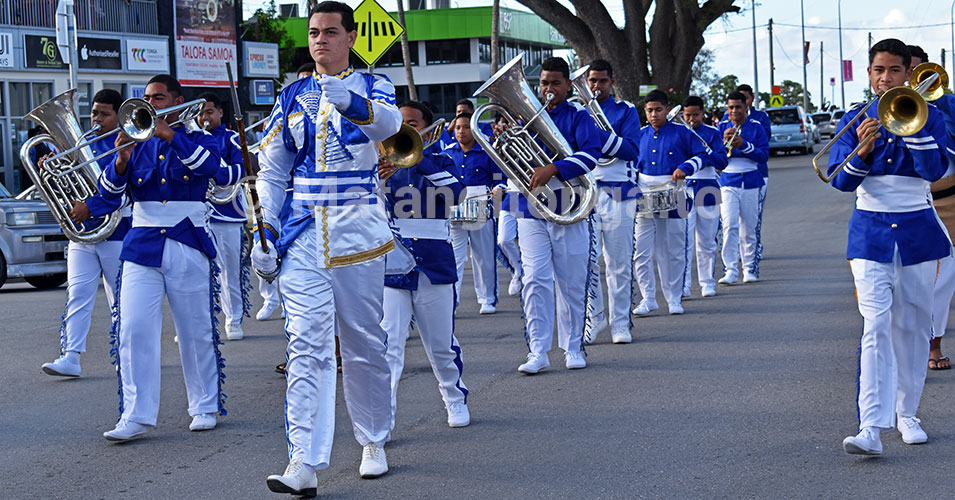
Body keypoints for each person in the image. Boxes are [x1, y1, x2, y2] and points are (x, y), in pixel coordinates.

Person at [251, 2, 402, 494]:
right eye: (315, 33)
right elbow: (274, 169)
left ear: (352, 37)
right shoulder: (291, 94)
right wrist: (265, 228)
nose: (320, 41)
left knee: (361, 341)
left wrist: (351, 103)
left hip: (357, 226)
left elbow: (390, 128)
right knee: (306, 345)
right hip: (302, 232)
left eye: (331, 32)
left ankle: (373, 438)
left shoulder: (373, 84)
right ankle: (303, 461)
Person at [830, 39, 949, 455]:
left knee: (913, 325)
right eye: (879, 71)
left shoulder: (930, 117)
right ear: (869, 73)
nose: (886, 78)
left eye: (894, 71)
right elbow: (840, 181)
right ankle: (870, 427)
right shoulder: (854, 119)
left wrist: (910, 130)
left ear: (907, 73)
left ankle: (907, 413)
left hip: (918, 228)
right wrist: (862, 149)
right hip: (869, 232)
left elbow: (937, 169)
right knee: (875, 324)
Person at [98, 74, 225, 441]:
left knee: (194, 329)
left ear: (176, 100)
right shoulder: (134, 142)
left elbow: (213, 170)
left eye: (158, 98)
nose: (150, 105)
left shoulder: (200, 137)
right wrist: (121, 160)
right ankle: (135, 414)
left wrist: (171, 135)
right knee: (133, 328)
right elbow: (109, 196)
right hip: (142, 242)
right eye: (147, 99)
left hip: (187, 237)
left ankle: (204, 405)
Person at [502, 56, 601, 374]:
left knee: (571, 282)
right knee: (534, 280)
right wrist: (505, 139)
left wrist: (555, 167)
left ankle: (573, 347)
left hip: (569, 207)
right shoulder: (523, 118)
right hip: (530, 210)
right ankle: (537, 351)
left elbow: (591, 155)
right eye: (543, 82)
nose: (548, 88)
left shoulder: (579, 116)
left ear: (568, 85)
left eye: (555, 83)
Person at [380, 101, 470, 430]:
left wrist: (419, 159)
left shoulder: (440, 160)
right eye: (400, 124)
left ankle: (454, 398)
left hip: (434, 262)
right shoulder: (379, 164)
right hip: (392, 264)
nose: (405, 130)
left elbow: (456, 195)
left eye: (413, 124)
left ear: (428, 129)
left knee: (440, 343)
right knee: (388, 345)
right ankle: (382, 420)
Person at [40, 89, 131, 377]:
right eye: (94, 113)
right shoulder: (83, 142)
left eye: (105, 114)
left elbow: (124, 192)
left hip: (116, 231)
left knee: (120, 298)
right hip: (82, 235)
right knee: (77, 294)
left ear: (119, 116)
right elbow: (67, 185)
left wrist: (89, 207)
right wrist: (50, 170)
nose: (97, 119)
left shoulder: (125, 143)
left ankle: (125, 352)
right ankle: (71, 356)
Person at [632, 89, 708, 316]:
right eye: (649, 110)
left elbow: (702, 155)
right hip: (644, 194)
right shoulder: (640, 134)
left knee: (673, 249)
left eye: (658, 110)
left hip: (674, 191)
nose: (654, 114)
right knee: (641, 251)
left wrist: (685, 168)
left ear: (666, 109)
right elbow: (632, 163)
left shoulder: (682, 133)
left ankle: (674, 298)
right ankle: (648, 298)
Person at [580, 59, 640, 344]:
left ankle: (620, 323)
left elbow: (630, 150)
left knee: (618, 262)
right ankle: (596, 317)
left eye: (602, 81)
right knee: (586, 261)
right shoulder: (579, 112)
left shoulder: (626, 110)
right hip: (586, 192)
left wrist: (598, 136)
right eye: (592, 80)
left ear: (611, 81)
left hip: (620, 191)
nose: (596, 86)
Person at [257, 64, 318, 321]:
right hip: (294, 204)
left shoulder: (368, 88)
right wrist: (265, 229)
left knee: (359, 333)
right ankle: (272, 298)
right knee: (272, 250)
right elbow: (270, 172)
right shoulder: (289, 100)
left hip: (352, 221)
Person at [908, 44, 955, 371]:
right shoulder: (885, 107)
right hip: (909, 202)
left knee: (943, 278)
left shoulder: (948, 104)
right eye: (905, 72)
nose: (915, 80)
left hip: (949, 199)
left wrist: (933, 112)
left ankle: (933, 345)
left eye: (919, 72)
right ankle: (906, 339)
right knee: (910, 278)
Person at [197, 91, 250, 341]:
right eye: (199, 113)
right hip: (198, 212)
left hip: (227, 211)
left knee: (229, 270)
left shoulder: (231, 138)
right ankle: (200, 321)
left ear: (219, 112)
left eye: (208, 112)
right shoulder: (192, 138)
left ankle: (234, 318)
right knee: (195, 272)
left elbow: (245, 167)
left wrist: (216, 172)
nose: (203, 118)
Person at [446, 112, 500, 314]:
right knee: (454, 257)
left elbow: (498, 178)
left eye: (466, 127)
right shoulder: (448, 152)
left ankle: (487, 298)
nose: (461, 131)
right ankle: (452, 299)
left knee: (483, 256)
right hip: (454, 206)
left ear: (475, 129)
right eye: (458, 127)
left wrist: (499, 189)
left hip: (480, 203)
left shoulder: (487, 152)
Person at [717, 91, 769, 285]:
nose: (734, 111)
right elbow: (715, 157)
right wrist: (724, 144)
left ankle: (749, 268)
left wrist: (744, 145)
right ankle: (730, 269)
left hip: (751, 180)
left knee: (749, 228)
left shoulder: (756, 127)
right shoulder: (721, 127)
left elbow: (763, 156)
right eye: (730, 107)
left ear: (746, 107)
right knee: (729, 225)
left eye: (738, 107)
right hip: (728, 182)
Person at [681, 96, 728, 298]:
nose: (692, 119)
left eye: (696, 115)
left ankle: (707, 282)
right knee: (683, 241)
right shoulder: (679, 133)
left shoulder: (712, 133)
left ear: (703, 113)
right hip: (684, 188)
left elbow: (722, 162)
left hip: (707, 188)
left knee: (707, 241)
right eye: (687, 115)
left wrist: (706, 151)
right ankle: (683, 286)